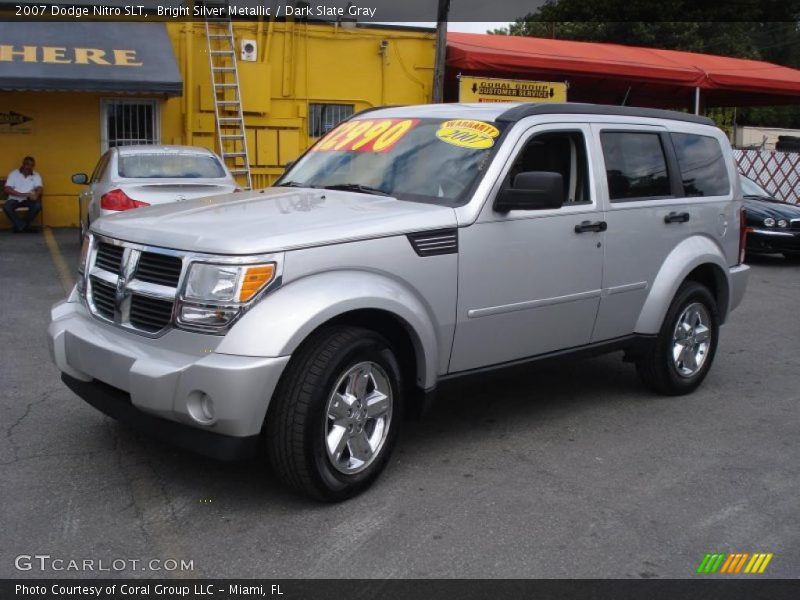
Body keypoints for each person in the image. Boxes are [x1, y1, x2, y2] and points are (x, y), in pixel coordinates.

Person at [3, 156, 43, 233]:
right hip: (14, 199)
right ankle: (24, 227)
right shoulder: (14, 174)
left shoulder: (36, 175)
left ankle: (20, 226)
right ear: (23, 164)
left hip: (29, 199)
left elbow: (39, 188)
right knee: (7, 207)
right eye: (27, 164)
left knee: (37, 206)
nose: (29, 167)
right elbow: (7, 189)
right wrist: (23, 194)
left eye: (31, 165)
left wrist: (36, 195)